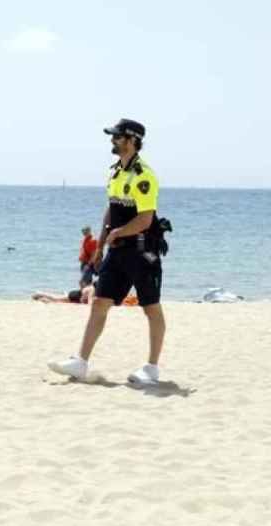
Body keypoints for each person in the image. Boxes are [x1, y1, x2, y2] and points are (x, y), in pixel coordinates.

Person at [49, 119, 165, 385]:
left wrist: (117, 233)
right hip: (117, 251)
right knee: (100, 303)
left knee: (151, 308)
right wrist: (100, 245)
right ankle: (80, 361)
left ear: (132, 140)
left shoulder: (144, 176)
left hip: (142, 251)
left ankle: (152, 368)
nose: (112, 141)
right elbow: (110, 211)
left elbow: (146, 219)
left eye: (117, 137)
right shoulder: (115, 172)